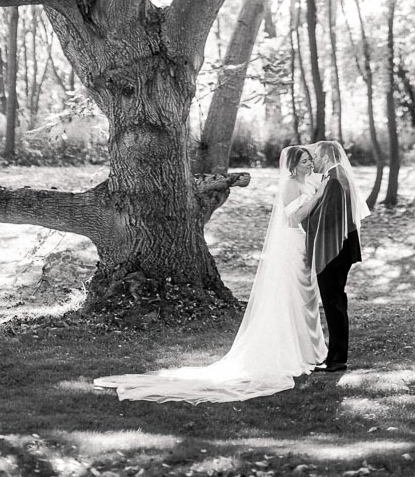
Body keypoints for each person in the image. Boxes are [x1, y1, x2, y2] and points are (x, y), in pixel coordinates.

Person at [93, 145, 327, 403]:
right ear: (293, 165)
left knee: (301, 297)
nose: (309, 164)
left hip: (301, 244)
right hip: (290, 246)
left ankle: (306, 351)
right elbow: (293, 219)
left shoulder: (307, 182)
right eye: (305, 160)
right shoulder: (290, 185)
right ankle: (285, 353)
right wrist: (316, 199)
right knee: (288, 296)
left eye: (309, 160)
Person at [303, 139, 368, 373]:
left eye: (316, 157)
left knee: (333, 304)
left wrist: (301, 214)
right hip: (342, 247)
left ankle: (338, 359)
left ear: (327, 156)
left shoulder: (333, 180)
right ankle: (335, 357)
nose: (314, 161)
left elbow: (327, 218)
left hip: (335, 249)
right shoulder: (338, 175)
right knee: (336, 302)